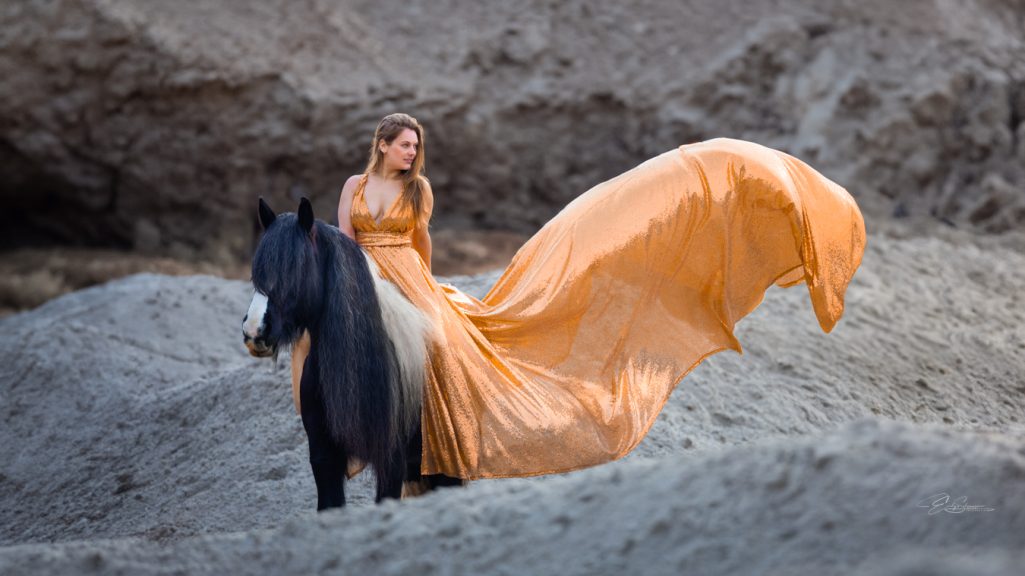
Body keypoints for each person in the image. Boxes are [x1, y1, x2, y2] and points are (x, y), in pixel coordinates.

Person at [292, 112, 867, 482]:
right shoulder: (355, 188)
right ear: (383, 146)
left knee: (437, 348)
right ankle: (348, 441)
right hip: (363, 274)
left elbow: (421, 246)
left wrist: (426, 294)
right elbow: (345, 238)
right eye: (405, 145)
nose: (413, 153)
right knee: (329, 346)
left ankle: (431, 451)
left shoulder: (419, 191)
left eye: (417, 145)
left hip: (408, 278)